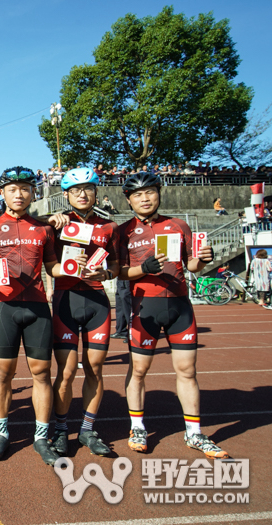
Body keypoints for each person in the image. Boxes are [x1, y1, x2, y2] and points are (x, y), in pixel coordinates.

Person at [118, 172, 227, 459]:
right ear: (128, 200)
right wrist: (144, 269)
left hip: (180, 306)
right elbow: (118, 272)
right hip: (145, 309)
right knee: (139, 371)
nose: (144, 198)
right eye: (137, 195)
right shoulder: (123, 231)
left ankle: (194, 433)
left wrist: (203, 259)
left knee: (187, 371)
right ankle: (138, 427)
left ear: (158, 193)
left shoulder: (178, 225)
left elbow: (191, 265)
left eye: (149, 192)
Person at [0, 167, 77, 466]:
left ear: (33, 193)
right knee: (3, 376)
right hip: (5, 310)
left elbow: (53, 267)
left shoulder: (45, 228)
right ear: (3, 193)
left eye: (24, 189)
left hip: (37, 310)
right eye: (12, 189)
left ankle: (40, 436)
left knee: (41, 375)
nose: (18, 194)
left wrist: (76, 266)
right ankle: (2, 434)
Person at [41, 168, 120, 457]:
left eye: (88, 189)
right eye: (76, 191)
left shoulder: (110, 227)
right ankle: (61, 430)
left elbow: (117, 267)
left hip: (97, 300)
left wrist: (106, 272)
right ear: (66, 195)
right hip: (66, 300)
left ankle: (87, 429)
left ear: (96, 192)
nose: (82, 194)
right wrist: (49, 218)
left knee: (94, 369)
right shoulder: (56, 224)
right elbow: (26, 223)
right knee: (66, 371)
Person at [111, 278, 131, 343]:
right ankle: (121, 330)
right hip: (121, 277)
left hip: (128, 276)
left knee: (128, 307)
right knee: (120, 306)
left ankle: (133, 334)